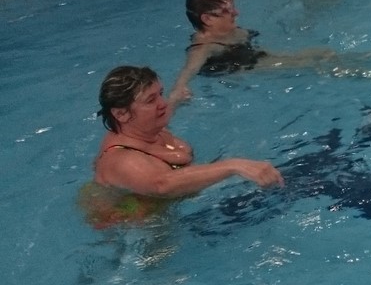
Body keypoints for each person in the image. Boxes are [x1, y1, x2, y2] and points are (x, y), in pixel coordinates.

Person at [80, 65, 282, 227]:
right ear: (121, 114)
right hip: (141, 232)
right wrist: (234, 165)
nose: (162, 104)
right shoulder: (122, 159)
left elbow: (164, 114)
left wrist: (176, 99)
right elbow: (162, 185)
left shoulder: (146, 129)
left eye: (160, 94)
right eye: (151, 100)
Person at [167, 0, 371, 104]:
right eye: (227, 10)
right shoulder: (204, 47)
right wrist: (179, 88)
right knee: (317, 63)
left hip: (258, 58)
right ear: (207, 19)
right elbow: (190, 68)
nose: (236, 13)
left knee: (324, 53)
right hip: (250, 72)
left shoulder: (226, 30)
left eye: (232, 6)